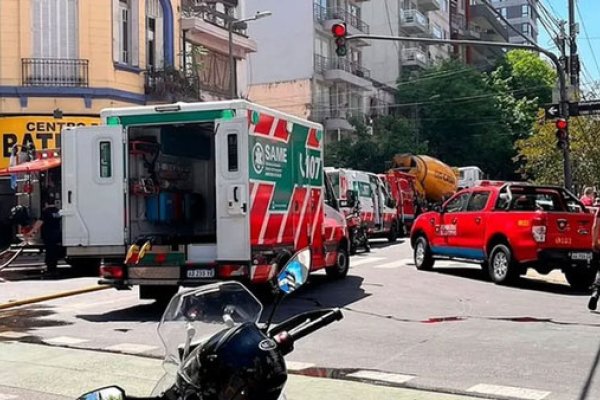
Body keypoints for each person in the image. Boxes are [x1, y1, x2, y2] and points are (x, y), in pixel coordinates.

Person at [28, 195, 63, 276]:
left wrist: (32, 232)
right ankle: (54, 269)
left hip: (49, 235)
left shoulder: (46, 212)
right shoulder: (57, 211)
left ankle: (50, 270)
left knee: (50, 253)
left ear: (46, 203)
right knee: (54, 252)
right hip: (56, 235)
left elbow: (39, 222)